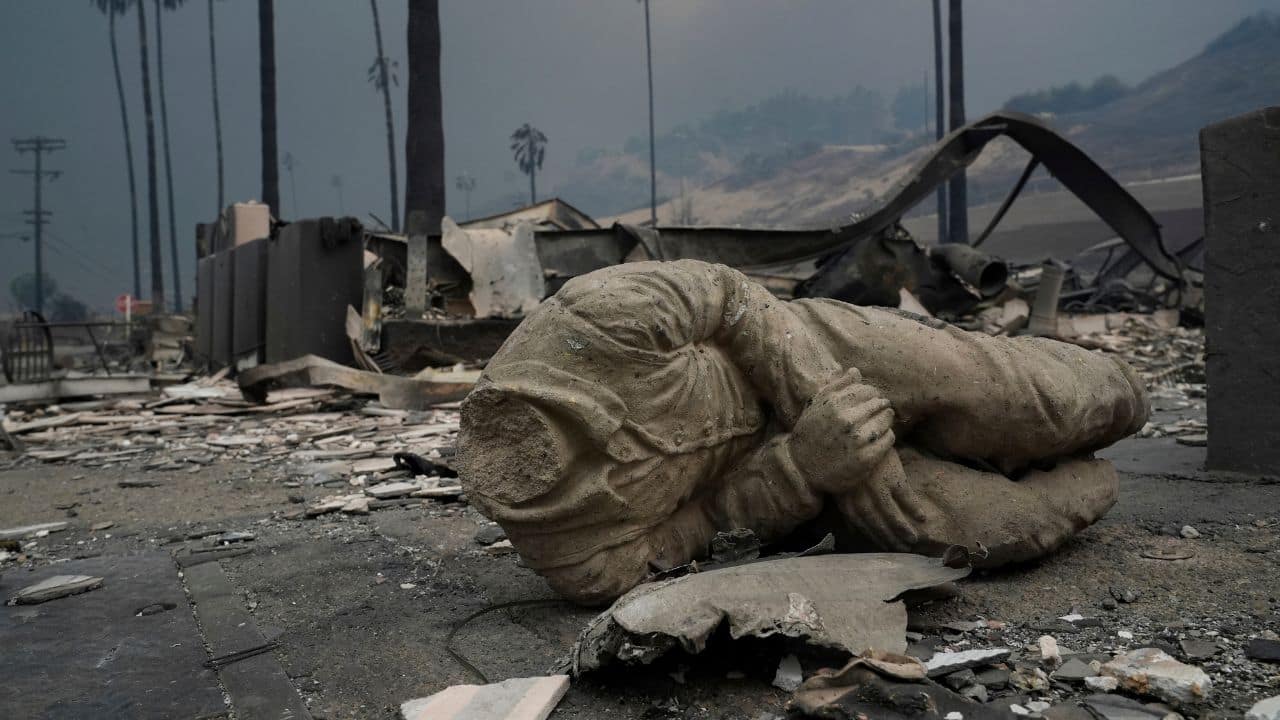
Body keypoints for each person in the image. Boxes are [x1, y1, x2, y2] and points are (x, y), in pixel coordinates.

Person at [458, 260, 1148, 605]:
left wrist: (833, 412)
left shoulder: (593, 319)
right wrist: (804, 469)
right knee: (993, 530)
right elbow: (703, 527)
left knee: (1035, 404)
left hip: (807, 355)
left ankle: (1127, 394)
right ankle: (1099, 477)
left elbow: (732, 300)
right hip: (794, 479)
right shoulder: (576, 560)